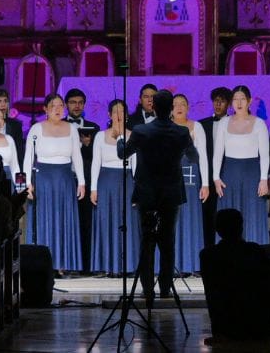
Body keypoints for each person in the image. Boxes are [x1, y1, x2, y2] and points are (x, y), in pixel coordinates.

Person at [117, 90, 198, 305]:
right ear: (171, 108)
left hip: (147, 192)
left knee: (146, 240)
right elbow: (194, 156)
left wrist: (119, 140)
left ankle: (146, 289)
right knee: (167, 239)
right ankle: (164, 288)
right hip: (171, 192)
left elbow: (123, 154)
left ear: (153, 107)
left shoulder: (141, 130)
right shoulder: (181, 132)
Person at [24, 93, 85, 272]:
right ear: (45, 109)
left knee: (64, 220)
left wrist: (81, 181)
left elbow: (77, 156)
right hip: (44, 179)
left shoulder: (71, 128)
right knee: (46, 220)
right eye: (53, 106)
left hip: (65, 179)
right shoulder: (36, 129)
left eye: (60, 106)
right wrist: (27, 182)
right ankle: (45, 264)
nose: (58, 109)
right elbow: (28, 157)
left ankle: (63, 264)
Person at [199, 209, 270, 342]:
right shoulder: (256, 251)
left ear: (217, 230)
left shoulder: (207, 255)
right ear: (241, 227)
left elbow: (211, 293)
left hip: (224, 326)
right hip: (258, 324)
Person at [213, 85, 270, 245]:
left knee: (251, 212)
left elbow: (265, 155)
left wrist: (264, 179)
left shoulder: (259, 123)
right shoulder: (224, 122)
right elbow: (218, 152)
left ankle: (255, 252)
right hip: (230, 173)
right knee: (229, 213)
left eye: (242, 99)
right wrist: (216, 178)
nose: (238, 103)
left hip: (252, 173)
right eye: (235, 99)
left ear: (249, 101)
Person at [90, 99, 139, 275]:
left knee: (126, 223)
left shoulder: (133, 135)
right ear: (109, 115)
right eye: (115, 111)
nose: (119, 115)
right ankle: (107, 265)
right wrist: (93, 189)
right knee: (107, 221)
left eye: (122, 112)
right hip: (106, 182)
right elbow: (96, 163)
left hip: (126, 181)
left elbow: (136, 165)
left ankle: (128, 265)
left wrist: (137, 189)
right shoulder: (100, 136)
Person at [171, 93, 210, 274]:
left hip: (191, 179)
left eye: (183, 104)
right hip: (169, 179)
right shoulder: (165, 127)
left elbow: (201, 156)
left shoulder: (196, 127)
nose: (179, 107)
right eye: (176, 104)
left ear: (188, 107)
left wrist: (205, 184)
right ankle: (170, 264)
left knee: (189, 218)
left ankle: (190, 264)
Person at [64, 88, 100, 273]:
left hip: (86, 180)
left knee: (86, 222)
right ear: (66, 105)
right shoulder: (60, 125)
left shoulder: (94, 127)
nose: (76, 106)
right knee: (66, 221)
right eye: (72, 102)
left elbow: (98, 156)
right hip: (64, 179)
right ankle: (65, 264)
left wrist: (87, 146)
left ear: (84, 105)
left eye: (80, 102)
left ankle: (86, 264)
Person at [198, 86, 232, 248]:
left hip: (227, 174)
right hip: (206, 177)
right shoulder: (202, 124)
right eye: (216, 101)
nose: (218, 104)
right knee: (207, 214)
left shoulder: (234, 124)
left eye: (222, 101)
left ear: (229, 104)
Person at [0, 89, 24, 165]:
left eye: (5, 101)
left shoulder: (15, 125)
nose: (3, 104)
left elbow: (19, 152)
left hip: (10, 167)